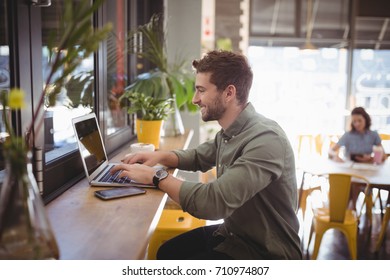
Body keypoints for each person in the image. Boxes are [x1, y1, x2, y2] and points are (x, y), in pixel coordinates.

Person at [111, 50, 302, 260]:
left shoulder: (266, 140)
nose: (194, 99)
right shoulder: (232, 131)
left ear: (229, 93)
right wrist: (160, 157)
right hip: (235, 235)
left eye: (201, 90)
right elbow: (200, 156)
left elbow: (213, 203)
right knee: (167, 253)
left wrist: (156, 177)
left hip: (263, 253)